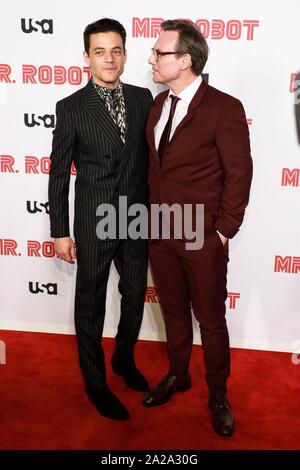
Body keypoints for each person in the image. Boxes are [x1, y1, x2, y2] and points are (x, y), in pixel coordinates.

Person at [142, 19, 253, 437]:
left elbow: (239, 175)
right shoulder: (157, 106)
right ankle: (177, 374)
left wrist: (222, 231)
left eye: (159, 53)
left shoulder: (225, 107)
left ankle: (218, 394)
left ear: (185, 60)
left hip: (202, 237)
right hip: (159, 233)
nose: (151, 59)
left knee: (210, 320)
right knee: (172, 312)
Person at [48, 18, 153, 421]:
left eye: (115, 50)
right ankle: (95, 383)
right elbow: (59, 174)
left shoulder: (145, 98)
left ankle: (124, 359)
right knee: (89, 302)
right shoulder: (71, 107)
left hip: (137, 215)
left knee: (133, 297)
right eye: (99, 51)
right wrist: (60, 231)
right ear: (87, 57)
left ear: (125, 54)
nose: (108, 59)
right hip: (94, 219)